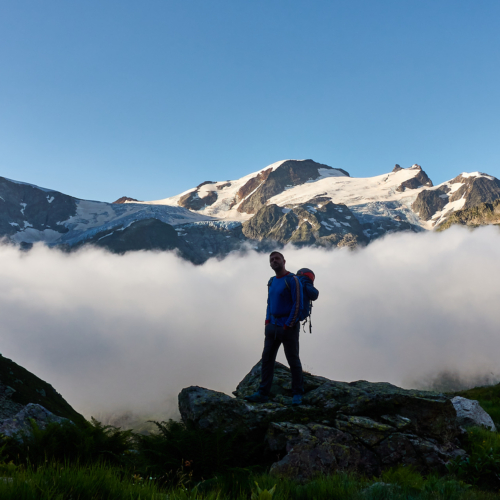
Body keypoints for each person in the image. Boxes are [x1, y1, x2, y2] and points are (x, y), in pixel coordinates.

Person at [245, 251, 305, 405]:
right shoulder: (271, 281)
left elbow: (297, 304)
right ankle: (263, 393)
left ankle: (297, 393)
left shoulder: (292, 280)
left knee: (293, 360)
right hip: (272, 327)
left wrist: (288, 324)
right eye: (271, 259)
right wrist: (267, 321)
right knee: (267, 360)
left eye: (277, 258)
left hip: (287, 328)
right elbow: (269, 303)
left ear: (284, 261)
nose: (274, 261)